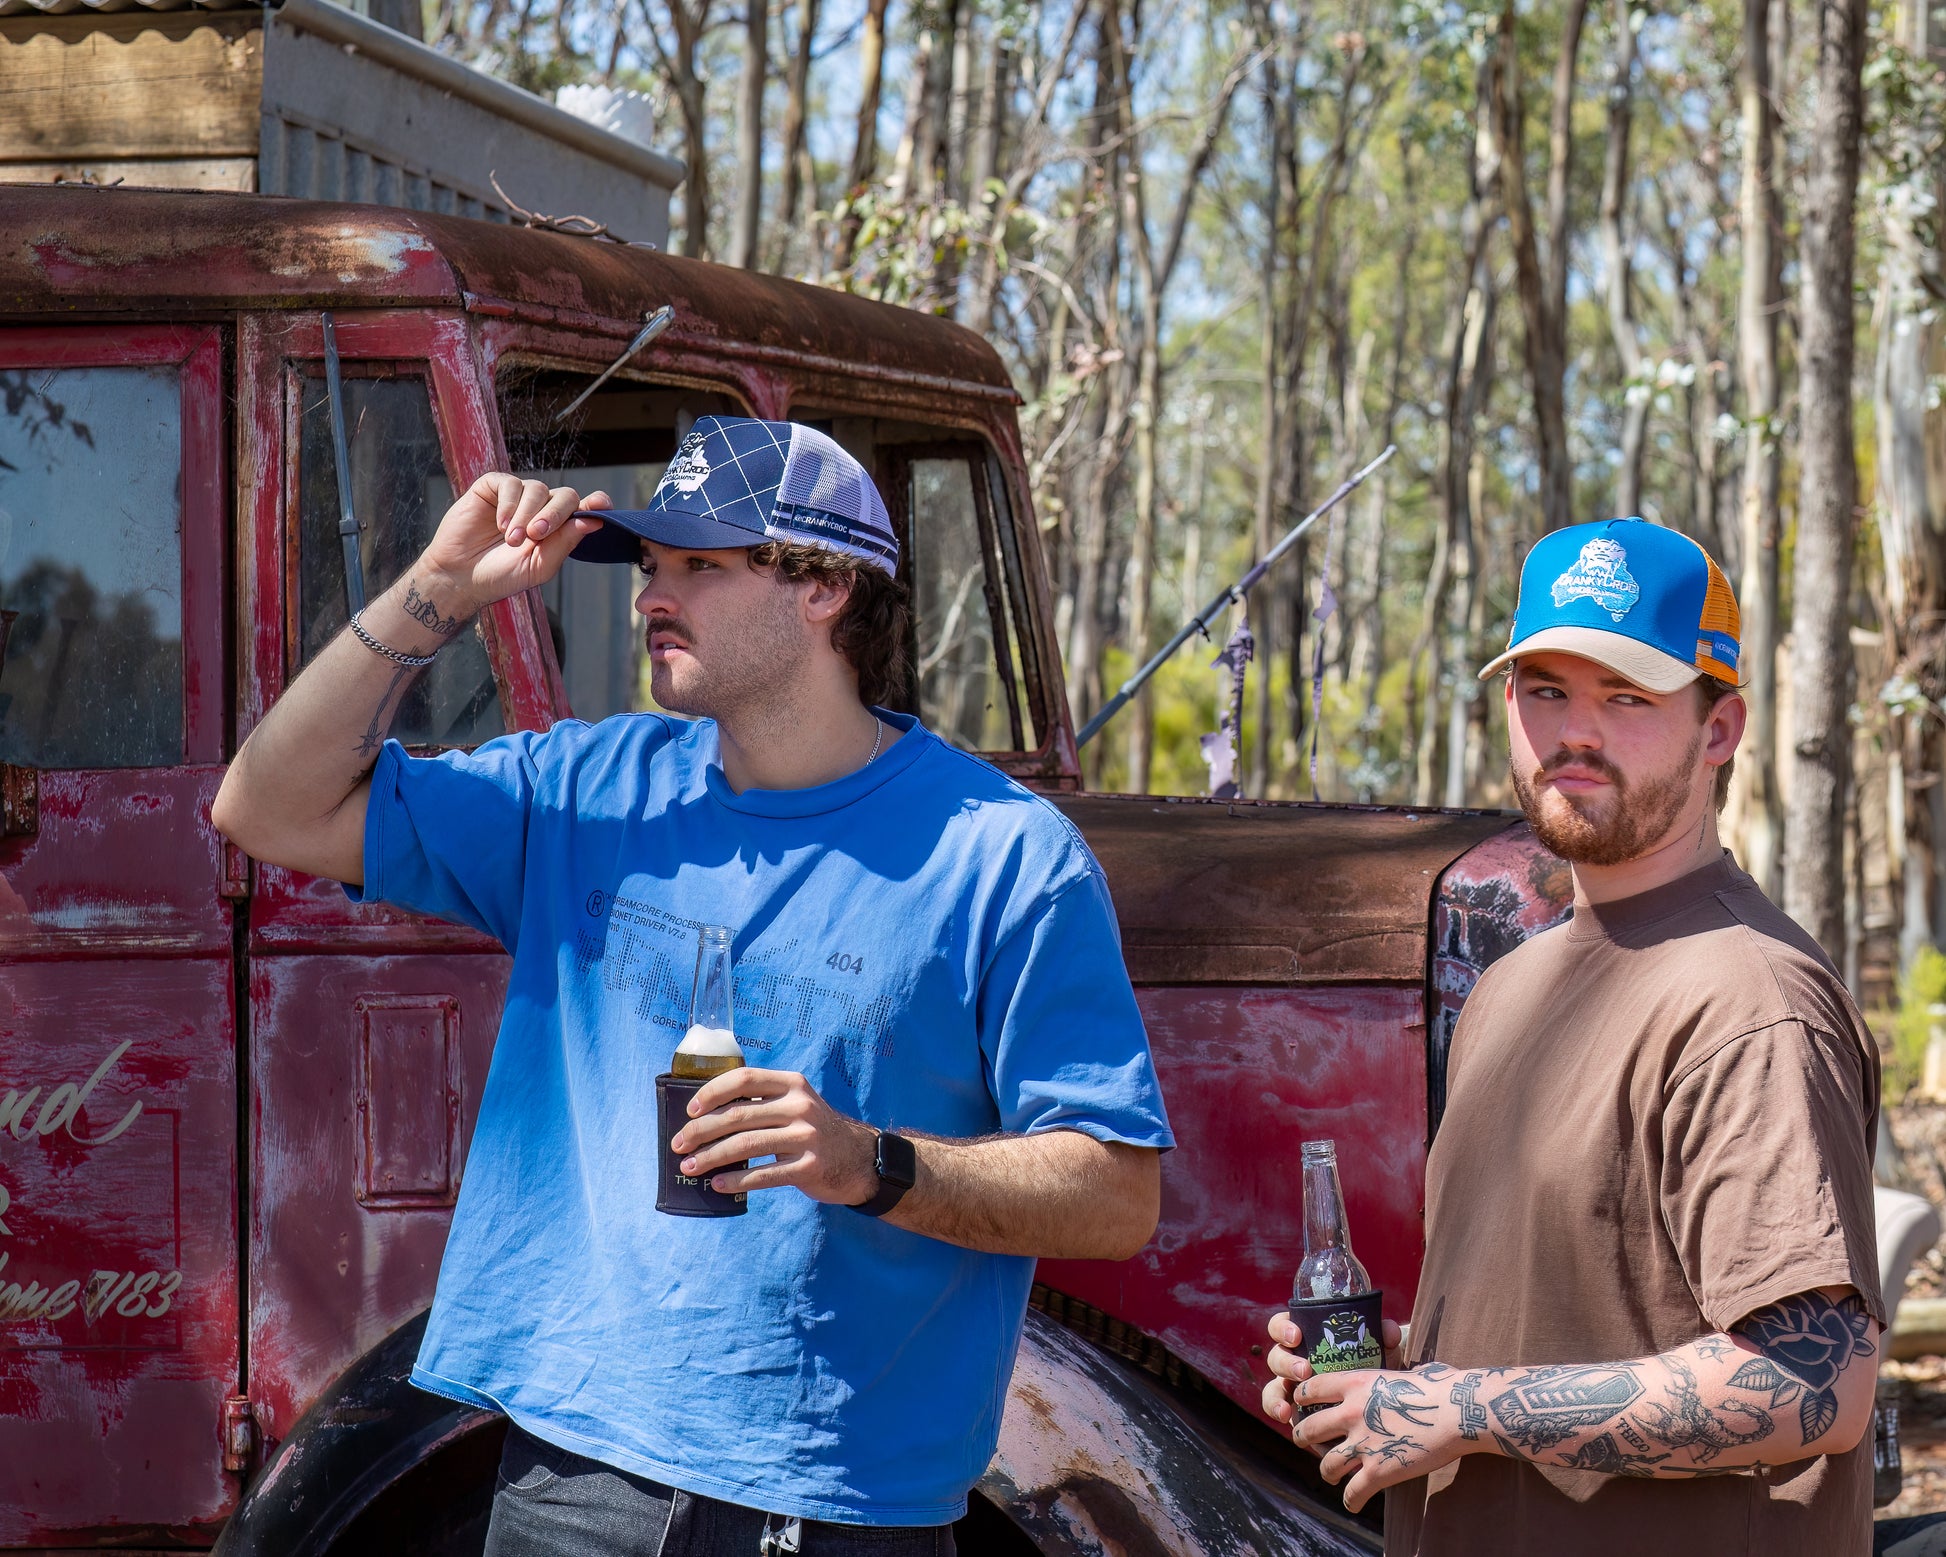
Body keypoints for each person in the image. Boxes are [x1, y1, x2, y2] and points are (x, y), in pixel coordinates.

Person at [214, 417, 1173, 1556]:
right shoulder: (583, 787)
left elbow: (1115, 1193)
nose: (651, 595)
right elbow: (263, 808)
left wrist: (868, 1162)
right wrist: (437, 590)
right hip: (566, 1475)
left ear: (823, 587)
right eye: (650, 565)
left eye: (699, 566)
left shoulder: (1003, 856)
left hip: (838, 1506)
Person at [1259, 519, 1884, 1555]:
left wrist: (1459, 1408)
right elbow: (1580, 1324)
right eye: (1544, 688)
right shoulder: (1509, 987)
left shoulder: (1746, 1001)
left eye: (1626, 698)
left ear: (1717, 730)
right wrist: (1399, 1371)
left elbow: (1811, 1381)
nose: (1571, 731)